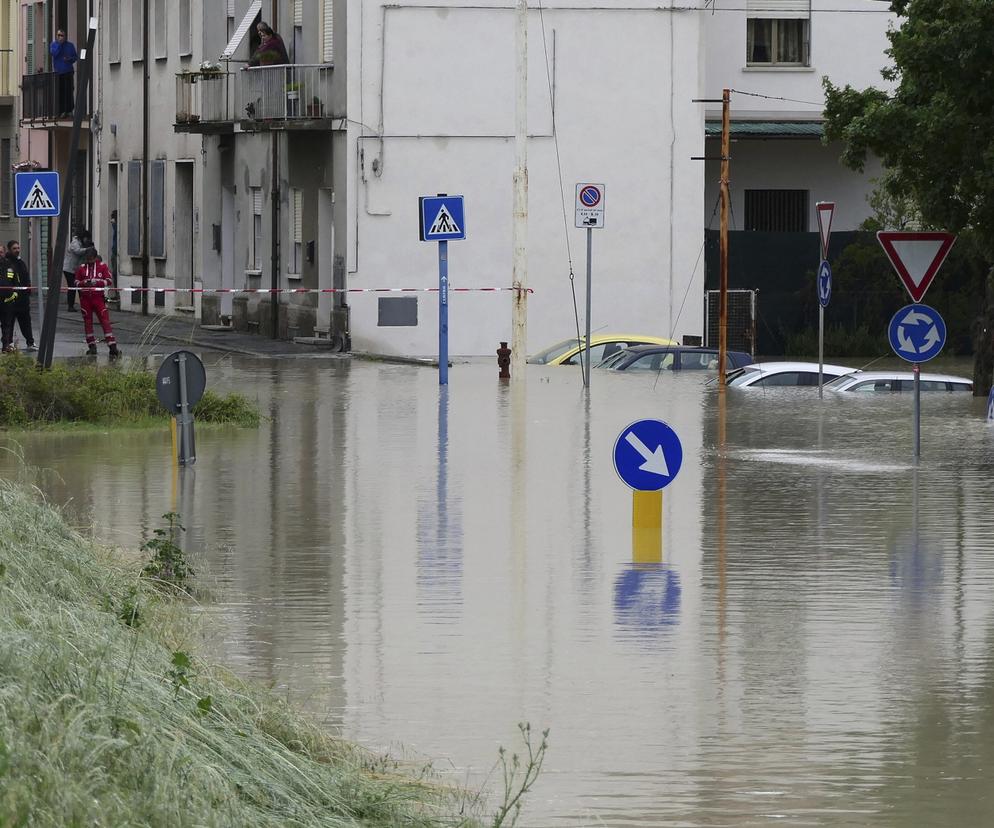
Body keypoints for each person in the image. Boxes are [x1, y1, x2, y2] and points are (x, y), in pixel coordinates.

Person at [74, 247, 119, 358]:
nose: (89, 261)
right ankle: (91, 346)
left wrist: (97, 282)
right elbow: (75, 282)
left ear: (95, 258)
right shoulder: (81, 268)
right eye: (87, 259)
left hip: (98, 298)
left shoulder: (102, 267)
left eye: (91, 259)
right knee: (87, 322)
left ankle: (112, 346)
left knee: (105, 321)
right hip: (85, 299)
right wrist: (84, 283)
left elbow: (108, 280)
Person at [4, 241, 36, 352]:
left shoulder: (21, 262)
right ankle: (9, 343)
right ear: (9, 250)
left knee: (26, 321)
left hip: (23, 299)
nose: (17, 250)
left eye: (18, 248)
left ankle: (30, 342)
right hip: (11, 298)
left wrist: (28, 290)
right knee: (9, 322)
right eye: (14, 248)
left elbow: (26, 276)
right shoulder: (6, 263)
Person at [50, 29, 78, 116]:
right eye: (58, 35)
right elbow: (54, 54)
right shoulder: (53, 45)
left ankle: (69, 110)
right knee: (60, 92)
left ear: (65, 36)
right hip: (58, 72)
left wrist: (69, 59)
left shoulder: (70, 45)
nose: (60, 37)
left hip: (68, 71)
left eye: (62, 35)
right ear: (56, 36)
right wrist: (59, 45)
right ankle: (61, 111)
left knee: (69, 91)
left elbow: (75, 57)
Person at [62, 226, 89, 311]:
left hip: (76, 269)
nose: (86, 240)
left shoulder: (81, 243)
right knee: (72, 287)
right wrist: (87, 249)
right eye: (86, 238)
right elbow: (78, 251)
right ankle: (70, 306)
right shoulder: (75, 242)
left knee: (80, 287)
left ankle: (84, 305)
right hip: (69, 269)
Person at [0, 244, 15, 354]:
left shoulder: (9, 265)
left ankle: (5, 346)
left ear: (4, 253)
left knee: (7, 324)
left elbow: (16, 282)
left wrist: (14, 295)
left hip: (7, 300)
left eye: (1, 252)